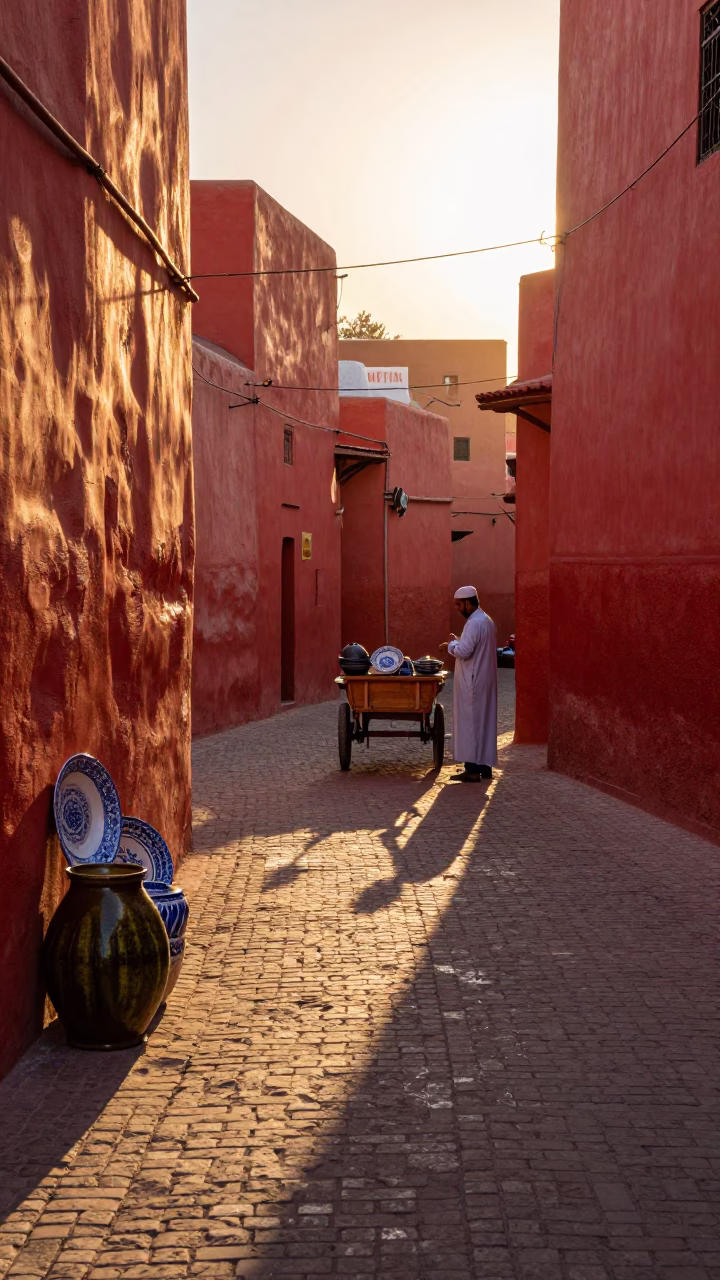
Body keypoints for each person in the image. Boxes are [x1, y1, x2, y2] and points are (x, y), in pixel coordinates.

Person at [440, 586, 498, 782]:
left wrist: (450, 644)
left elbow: (464, 651)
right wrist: (458, 643)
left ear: (467, 602)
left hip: (472, 682)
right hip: (484, 680)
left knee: (471, 724)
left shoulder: (474, 623)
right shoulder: (486, 620)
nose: (457, 608)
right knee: (483, 723)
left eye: (459, 604)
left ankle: (472, 769)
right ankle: (484, 767)